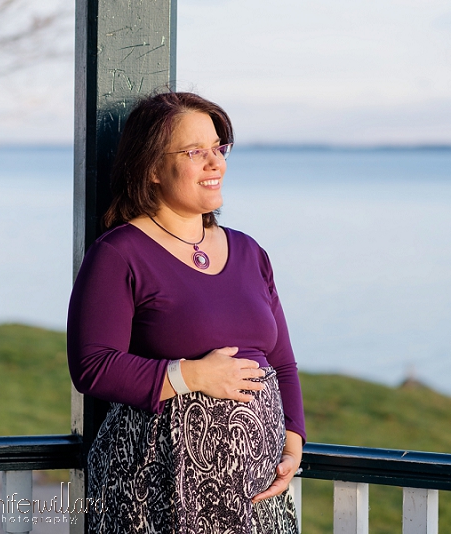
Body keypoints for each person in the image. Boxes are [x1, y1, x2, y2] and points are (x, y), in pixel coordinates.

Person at [67, 91, 305, 534]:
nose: (216, 163)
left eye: (219, 147)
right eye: (196, 152)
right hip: (157, 489)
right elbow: (92, 367)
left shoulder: (250, 252)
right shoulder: (119, 254)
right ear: (153, 168)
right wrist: (189, 376)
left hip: (257, 492)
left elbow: (282, 362)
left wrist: (293, 442)